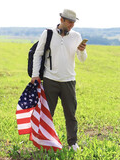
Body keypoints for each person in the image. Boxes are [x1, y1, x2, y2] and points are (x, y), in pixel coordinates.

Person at [31, 9, 87, 151]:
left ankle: (72, 143)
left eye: (74, 23)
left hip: (69, 80)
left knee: (70, 113)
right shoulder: (48, 34)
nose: (72, 25)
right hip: (50, 80)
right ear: (61, 19)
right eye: (69, 22)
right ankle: (46, 142)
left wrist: (81, 50)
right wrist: (35, 75)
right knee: (48, 113)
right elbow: (38, 54)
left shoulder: (76, 36)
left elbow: (82, 59)